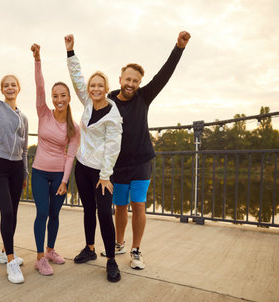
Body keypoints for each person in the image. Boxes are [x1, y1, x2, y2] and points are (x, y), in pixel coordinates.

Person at [101, 31, 191, 270]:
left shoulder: (144, 97)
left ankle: (136, 250)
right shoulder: (109, 101)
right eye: (128, 79)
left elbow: (165, 74)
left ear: (139, 83)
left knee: (138, 205)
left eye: (136, 81)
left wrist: (178, 47)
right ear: (120, 78)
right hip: (117, 165)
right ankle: (119, 243)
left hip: (142, 161)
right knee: (120, 207)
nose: (131, 84)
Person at [64, 34, 123, 282]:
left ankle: (110, 259)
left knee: (104, 214)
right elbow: (77, 78)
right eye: (92, 86)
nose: (95, 89)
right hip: (82, 167)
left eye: (100, 86)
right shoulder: (87, 102)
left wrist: (106, 175)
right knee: (88, 209)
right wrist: (70, 52)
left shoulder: (113, 114)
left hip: (102, 174)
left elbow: (113, 145)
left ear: (106, 89)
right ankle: (89, 249)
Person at [0, 25, 29, 284]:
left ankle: (3, 251)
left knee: (15, 212)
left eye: (13, 85)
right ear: (1, 89)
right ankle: (11, 260)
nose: (9, 88)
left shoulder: (23, 117)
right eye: (6, 85)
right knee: (7, 213)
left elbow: (23, 150)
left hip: (14, 170)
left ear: (19, 88)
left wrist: (24, 173)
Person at [30, 43, 80, 276]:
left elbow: (71, 155)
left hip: (60, 175)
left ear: (69, 98)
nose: (58, 99)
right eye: (55, 96)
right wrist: (37, 59)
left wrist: (64, 181)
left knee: (55, 214)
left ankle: (50, 250)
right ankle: (40, 257)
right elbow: (39, 87)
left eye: (63, 95)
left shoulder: (74, 128)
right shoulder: (43, 112)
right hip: (39, 172)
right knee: (42, 212)